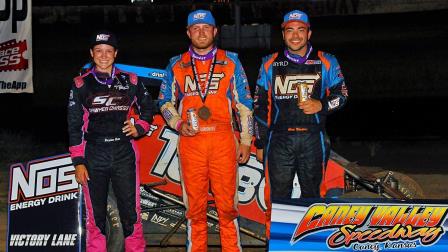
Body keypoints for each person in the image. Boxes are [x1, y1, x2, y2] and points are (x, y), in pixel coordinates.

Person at [158, 9, 253, 252]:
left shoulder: (231, 60)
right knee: (195, 209)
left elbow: (244, 104)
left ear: (215, 31)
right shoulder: (176, 64)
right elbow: (164, 103)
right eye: (196, 28)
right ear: (188, 32)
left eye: (206, 28)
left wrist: (245, 141)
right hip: (192, 142)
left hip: (223, 141)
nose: (201, 32)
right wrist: (178, 123)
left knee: (228, 208)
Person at [254, 10, 348, 237]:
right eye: (290, 30)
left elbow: (342, 94)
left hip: (313, 138)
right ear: (283, 34)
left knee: (314, 198)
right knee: (276, 199)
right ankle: (276, 244)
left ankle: (311, 244)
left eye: (301, 30)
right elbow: (260, 106)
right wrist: (259, 142)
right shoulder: (269, 63)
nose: (295, 36)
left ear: (309, 33)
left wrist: (322, 105)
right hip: (279, 139)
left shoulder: (326, 60)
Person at [67, 30, 153, 251]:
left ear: (115, 53)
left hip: (124, 152)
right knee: (95, 214)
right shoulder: (80, 84)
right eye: (98, 51)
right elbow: (74, 126)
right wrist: (78, 162)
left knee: (131, 213)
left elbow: (148, 108)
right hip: (94, 153)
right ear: (91, 54)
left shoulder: (130, 79)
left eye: (108, 51)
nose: (103, 56)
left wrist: (139, 128)